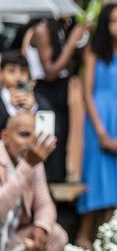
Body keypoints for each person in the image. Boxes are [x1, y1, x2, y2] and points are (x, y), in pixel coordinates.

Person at [75, 4, 117, 251]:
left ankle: (107, 244)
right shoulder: (94, 52)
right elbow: (87, 93)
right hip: (98, 120)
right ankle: (84, 239)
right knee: (97, 177)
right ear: (105, 24)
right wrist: (101, 131)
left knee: (116, 183)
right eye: (113, 21)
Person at [0, 111, 67, 251]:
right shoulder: (29, 161)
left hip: (8, 241)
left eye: (34, 136)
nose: (30, 142)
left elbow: (44, 204)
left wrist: (41, 226)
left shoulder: (32, 161)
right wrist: (28, 166)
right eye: (24, 135)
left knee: (56, 235)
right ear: (5, 136)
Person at [30, 18, 91, 182]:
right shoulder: (42, 29)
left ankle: (57, 182)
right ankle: (46, 185)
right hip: (46, 90)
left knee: (62, 141)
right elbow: (50, 72)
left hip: (61, 89)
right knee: (50, 136)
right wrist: (71, 43)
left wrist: (81, 39)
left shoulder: (62, 29)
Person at [0, 50, 50, 130]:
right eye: (11, 71)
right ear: (1, 73)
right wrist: (12, 109)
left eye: (23, 71)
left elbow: (51, 130)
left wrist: (33, 109)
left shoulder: (38, 100)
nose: (18, 77)